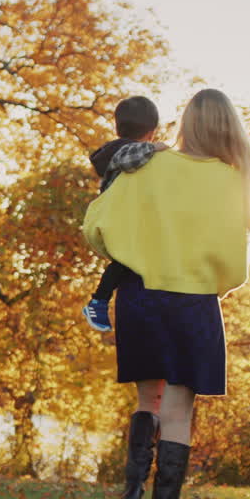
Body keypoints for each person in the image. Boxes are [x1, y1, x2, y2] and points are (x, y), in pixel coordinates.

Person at [82, 88, 250, 499]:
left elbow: (95, 226)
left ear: (187, 122)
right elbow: (234, 268)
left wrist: (133, 255)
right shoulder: (233, 179)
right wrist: (203, 284)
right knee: (178, 414)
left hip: (142, 298)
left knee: (148, 403)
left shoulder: (151, 164)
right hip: (194, 303)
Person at [82, 96, 166, 332]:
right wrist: (154, 148)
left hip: (121, 215)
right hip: (120, 217)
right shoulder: (125, 151)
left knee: (124, 261)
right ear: (151, 132)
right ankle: (98, 300)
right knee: (124, 261)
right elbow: (130, 160)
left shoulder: (115, 149)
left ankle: (99, 299)